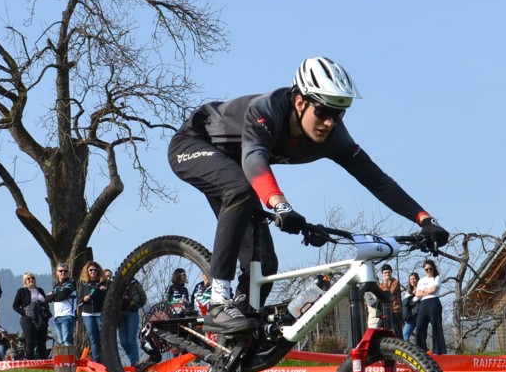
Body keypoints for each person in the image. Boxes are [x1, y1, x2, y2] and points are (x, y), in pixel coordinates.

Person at [167, 56, 448, 336]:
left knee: (264, 266)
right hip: (195, 144)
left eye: (339, 114)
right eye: (324, 112)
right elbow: (253, 160)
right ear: (301, 102)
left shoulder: (334, 137)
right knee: (239, 188)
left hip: (237, 170)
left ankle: (234, 350)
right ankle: (218, 302)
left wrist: (424, 220)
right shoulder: (265, 112)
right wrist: (281, 205)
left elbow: (378, 180)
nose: (330, 123)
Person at [12, 272, 51, 359]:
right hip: (27, 318)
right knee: (30, 341)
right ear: (25, 281)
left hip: (41, 318)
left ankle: (43, 362)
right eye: (28, 278)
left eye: (32, 278)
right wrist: (24, 312)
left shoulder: (40, 290)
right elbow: (15, 306)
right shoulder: (21, 291)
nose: (31, 280)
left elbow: (45, 302)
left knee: (42, 341)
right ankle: (30, 361)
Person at [414, 260, 447, 355]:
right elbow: (417, 293)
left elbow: (433, 290)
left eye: (430, 269)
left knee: (436, 326)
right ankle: (420, 350)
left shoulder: (437, 278)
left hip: (434, 302)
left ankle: (438, 350)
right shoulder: (421, 280)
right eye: (426, 269)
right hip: (424, 303)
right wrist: (427, 291)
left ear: (433, 268)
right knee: (419, 325)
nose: (428, 271)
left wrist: (424, 291)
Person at [77, 261, 106, 362]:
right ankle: (96, 361)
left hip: (99, 312)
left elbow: (109, 298)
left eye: (95, 270)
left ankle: (106, 361)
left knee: (103, 338)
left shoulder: (103, 283)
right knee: (93, 339)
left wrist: (104, 291)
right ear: (87, 271)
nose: (93, 272)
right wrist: (84, 299)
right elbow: (79, 300)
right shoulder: (84, 284)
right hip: (87, 313)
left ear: (98, 271)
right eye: (90, 270)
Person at [46, 263, 78, 348]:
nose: (63, 272)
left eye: (65, 271)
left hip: (67, 316)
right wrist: (56, 295)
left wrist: (54, 296)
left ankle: (70, 360)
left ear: (68, 272)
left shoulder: (71, 283)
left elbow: (63, 295)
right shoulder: (56, 286)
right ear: (57, 272)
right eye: (60, 271)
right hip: (57, 317)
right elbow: (47, 299)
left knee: (67, 341)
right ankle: (64, 360)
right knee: (61, 342)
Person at [118, 276, 146, 365]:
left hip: (132, 313)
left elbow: (143, 297)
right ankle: (132, 359)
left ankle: (135, 363)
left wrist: (136, 306)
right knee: (123, 342)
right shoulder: (117, 283)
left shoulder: (135, 282)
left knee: (131, 340)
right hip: (120, 313)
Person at [378, 264, 403, 337]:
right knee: (379, 328)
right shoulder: (381, 285)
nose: (387, 274)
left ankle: (399, 348)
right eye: (385, 273)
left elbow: (388, 295)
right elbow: (380, 297)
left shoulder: (395, 282)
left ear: (391, 272)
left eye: (388, 272)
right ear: (382, 274)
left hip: (395, 310)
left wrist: (386, 283)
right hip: (384, 311)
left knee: (397, 332)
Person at [401, 272, 421, 343]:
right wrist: (412, 296)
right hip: (410, 316)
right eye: (411, 279)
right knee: (405, 335)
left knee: (420, 336)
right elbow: (405, 302)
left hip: (419, 315)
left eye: (414, 279)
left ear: (418, 280)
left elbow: (418, 298)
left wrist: (410, 300)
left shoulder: (421, 289)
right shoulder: (408, 291)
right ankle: (408, 352)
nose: (412, 281)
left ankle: (421, 352)